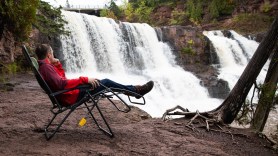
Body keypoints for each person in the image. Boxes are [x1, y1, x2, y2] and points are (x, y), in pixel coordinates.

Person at [35, 44, 154, 106]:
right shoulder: (46, 68)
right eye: (52, 54)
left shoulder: (45, 67)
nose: (53, 55)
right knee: (106, 82)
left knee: (101, 82)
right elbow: (62, 83)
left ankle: (134, 90)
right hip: (71, 96)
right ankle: (135, 91)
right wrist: (84, 79)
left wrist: (57, 64)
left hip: (68, 94)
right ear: (49, 55)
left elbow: (61, 80)